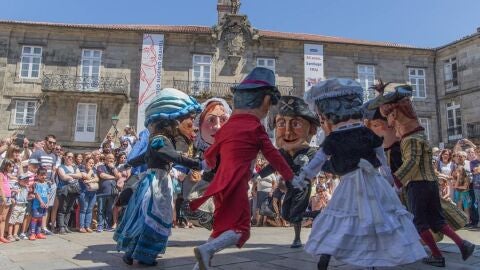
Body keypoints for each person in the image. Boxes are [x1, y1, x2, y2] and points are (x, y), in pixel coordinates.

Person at [299, 78, 426, 269]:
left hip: (350, 184)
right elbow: (382, 159)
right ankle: (372, 260)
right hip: (374, 182)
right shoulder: (367, 133)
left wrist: (303, 176)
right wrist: (390, 180)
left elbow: (317, 161)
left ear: (327, 113)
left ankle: (326, 254)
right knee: (379, 220)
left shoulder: (334, 137)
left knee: (340, 219)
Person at [189, 67, 295, 270]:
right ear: (265, 101)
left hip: (221, 184)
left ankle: (199, 266)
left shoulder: (227, 126)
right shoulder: (255, 127)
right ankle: (207, 251)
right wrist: (290, 177)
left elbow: (212, 153)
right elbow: (274, 156)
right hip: (236, 184)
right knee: (242, 230)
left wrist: (207, 164)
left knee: (221, 227)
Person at [370, 82, 476, 267]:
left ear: (396, 115)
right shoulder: (418, 136)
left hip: (417, 185)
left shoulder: (410, 139)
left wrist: (396, 180)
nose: (389, 122)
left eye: (390, 117)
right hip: (430, 183)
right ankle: (463, 244)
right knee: (436, 220)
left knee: (419, 223)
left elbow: (411, 163)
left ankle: (436, 255)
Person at [114, 88, 205, 266]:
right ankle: (143, 255)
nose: (192, 122)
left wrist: (127, 164)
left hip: (157, 181)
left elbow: (141, 158)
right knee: (153, 218)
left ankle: (133, 253)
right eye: (189, 118)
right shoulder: (160, 140)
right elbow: (173, 157)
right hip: (156, 183)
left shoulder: (158, 139)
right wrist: (198, 164)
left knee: (147, 218)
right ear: (174, 119)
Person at [258, 95, 320, 248]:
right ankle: (316, 215)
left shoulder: (311, 152)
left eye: (296, 124)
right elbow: (273, 165)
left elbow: (322, 165)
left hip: (302, 187)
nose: (287, 132)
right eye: (281, 124)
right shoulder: (282, 153)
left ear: (311, 129)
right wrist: (257, 175)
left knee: (295, 213)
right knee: (285, 214)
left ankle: (297, 239)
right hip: (288, 187)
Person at [182, 98, 231, 231]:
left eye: (223, 120)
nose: (218, 126)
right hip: (209, 178)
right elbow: (199, 157)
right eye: (211, 120)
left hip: (224, 180)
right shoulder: (204, 146)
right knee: (191, 203)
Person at [56, 152, 82, 234]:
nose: (70, 158)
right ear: (64, 157)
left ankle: (66, 226)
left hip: (74, 190)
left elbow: (80, 175)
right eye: (68, 157)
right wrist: (75, 175)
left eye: (72, 157)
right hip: (64, 190)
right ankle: (61, 227)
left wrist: (69, 174)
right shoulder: (61, 167)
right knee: (62, 209)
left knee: (69, 209)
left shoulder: (74, 167)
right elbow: (63, 177)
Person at [96, 153, 120, 232]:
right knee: (100, 210)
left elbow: (118, 176)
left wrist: (113, 168)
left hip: (112, 193)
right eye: (109, 158)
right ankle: (100, 225)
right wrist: (114, 177)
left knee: (109, 210)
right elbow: (102, 175)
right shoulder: (100, 167)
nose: (111, 160)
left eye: (112, 158)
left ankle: (107, 225)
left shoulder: (114, 168)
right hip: (102, 192)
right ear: (105, 159)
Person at [78, 157, 99, 233]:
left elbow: (97, 179)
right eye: (90, 162)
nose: (91, 164)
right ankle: (81, 227)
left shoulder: (94, 170)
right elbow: (86, 176)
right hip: (84, 192)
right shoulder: (81, 169)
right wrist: (90, 171)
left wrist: (89, 181)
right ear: (85, 162)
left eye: (93, 163)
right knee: (83, 209)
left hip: (93, 192)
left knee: (90, 209)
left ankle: (87, 226)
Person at [7, 174, 29, 241]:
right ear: (19, 180)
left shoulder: (26, 187)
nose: (26, 181)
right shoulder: (16, 186)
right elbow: (10, 193)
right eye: (24, 179)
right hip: (16, 205)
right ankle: (9, 235)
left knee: (18, 221)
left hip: (23, 206)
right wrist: (14, 191)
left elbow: (25, 196)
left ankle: (15, 234)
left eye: (27, 179)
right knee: (12, 220)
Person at [29, 167, 49, 241]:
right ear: (37, 176)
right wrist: (41, 202)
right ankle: (32, 233)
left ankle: (38, 233)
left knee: (40, 218)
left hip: (43, 205)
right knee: (35, 219)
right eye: (41, 175)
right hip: (37, 205)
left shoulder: (46, 184)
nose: (43, 176)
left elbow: (47, 194)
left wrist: (47, 203)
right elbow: (37, 194)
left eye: (45, 175)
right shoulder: (37, 184)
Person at [0, 159, 14, 243]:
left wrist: (11, 194)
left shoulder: (6, 175)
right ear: (6, 166)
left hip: (8, 197)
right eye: (10, 166)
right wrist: (4, 197)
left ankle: (1, 236)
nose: (12, 168)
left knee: (4, 218)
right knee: (1, 217)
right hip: (3, 198)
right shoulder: (1, 174)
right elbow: (1, 187)